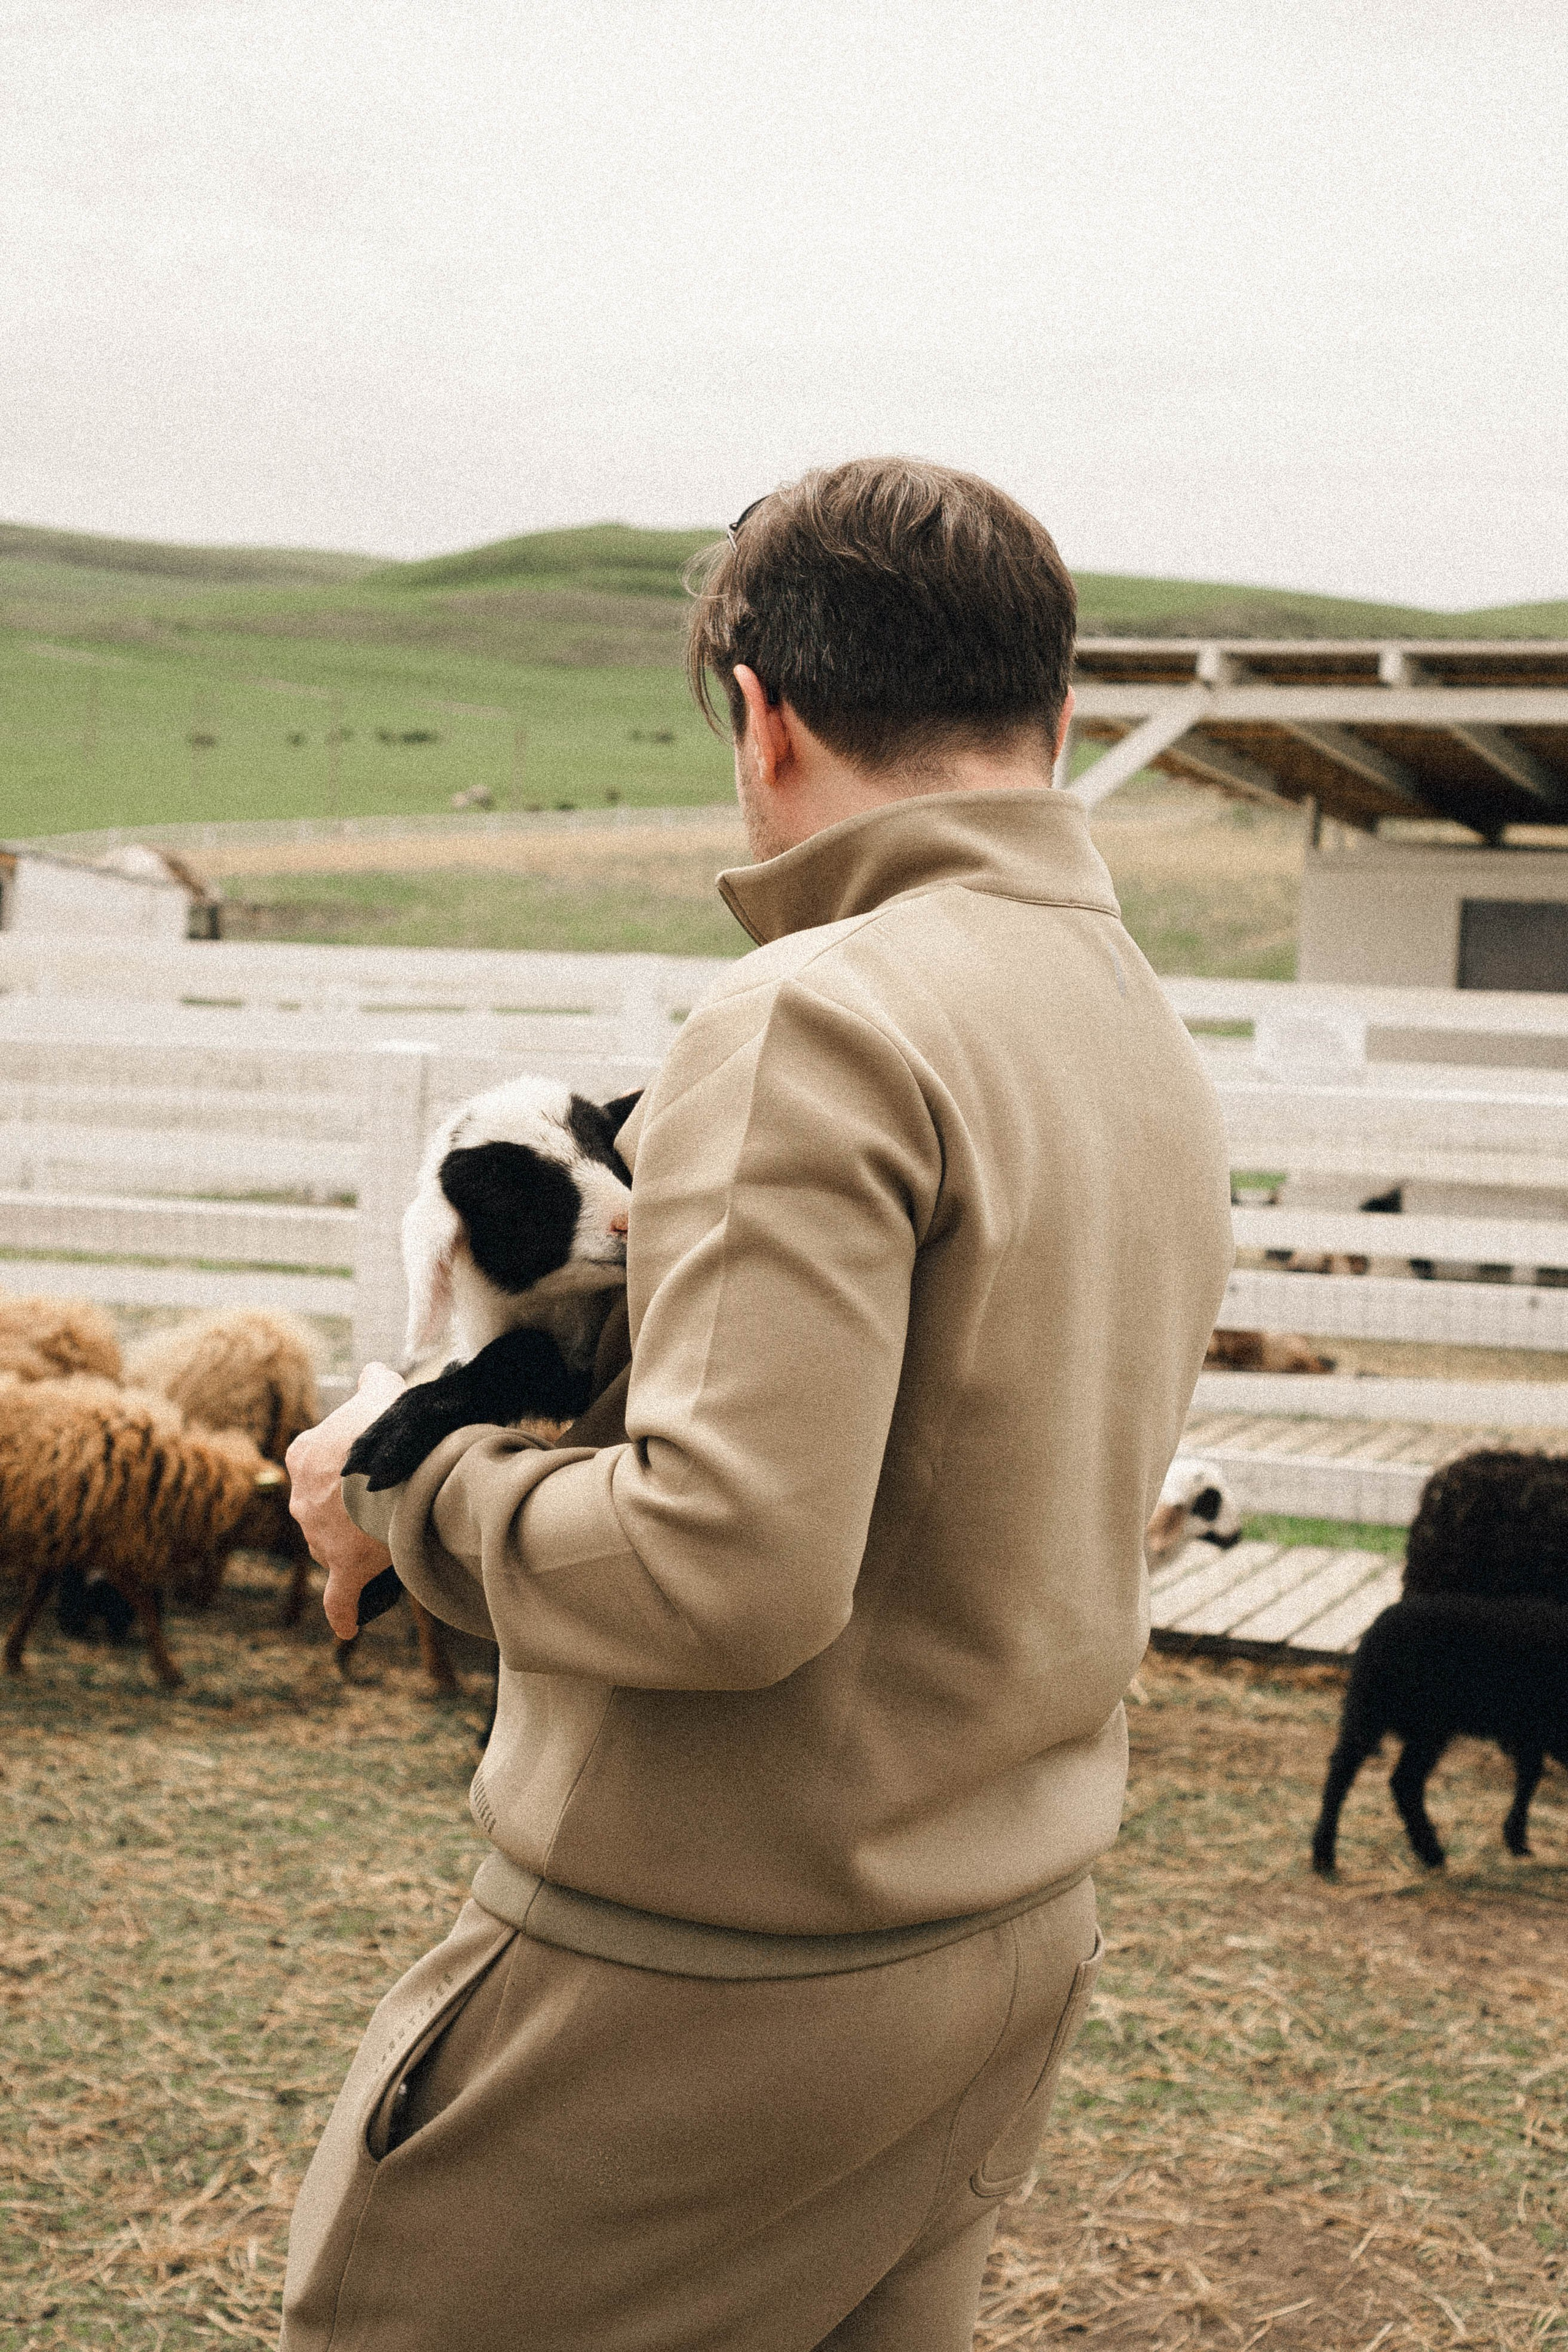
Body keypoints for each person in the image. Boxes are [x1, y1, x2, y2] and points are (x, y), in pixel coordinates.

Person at [281, 457, 1233, 2352]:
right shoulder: (1131, 1020)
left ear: (760, 716)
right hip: (998, 1940)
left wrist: (409, 1484)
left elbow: (727, 1569)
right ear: (1055, 718)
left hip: (704, 1987)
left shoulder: (817, 1016)